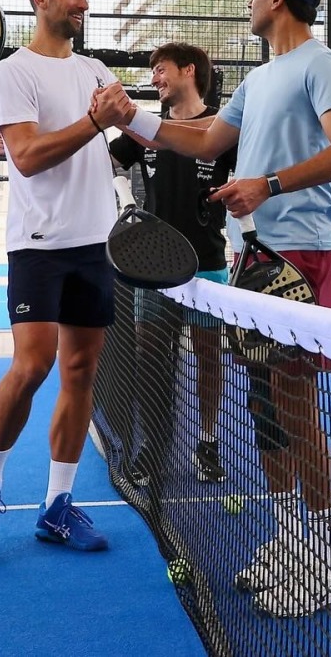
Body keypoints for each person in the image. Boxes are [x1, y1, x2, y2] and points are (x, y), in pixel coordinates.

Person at [95, 0, 331, 618]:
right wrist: (132, 117)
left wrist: (265, 184)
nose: (248, 2)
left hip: (301, 255)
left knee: (296, 402)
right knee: (264, 408)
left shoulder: (320, 64)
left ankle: (325, 560)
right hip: (254, 260)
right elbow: (207, 140)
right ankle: (288, 540)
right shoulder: (258, 80)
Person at [0, 0, 131, 563]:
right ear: (41, 0)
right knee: (32, 367)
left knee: (81, 372)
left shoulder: (95, 70)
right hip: (38, 246)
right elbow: (27, 157)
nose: (82, 3)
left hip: (96, 244)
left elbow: (114, 138)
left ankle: (58, 504)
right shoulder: (12, 72)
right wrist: (93, 119)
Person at [108, 43, 237, 488]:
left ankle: (207, 441)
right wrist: (122, 191)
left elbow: (250, 175)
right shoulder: (147, 129)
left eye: (160, 70)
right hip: (153, 269)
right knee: (150, 357)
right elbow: (104, 161)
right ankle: (154, 445)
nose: (155, 79)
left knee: (208, 357)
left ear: (188, 70)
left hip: (208, 265)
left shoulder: (225, 125)